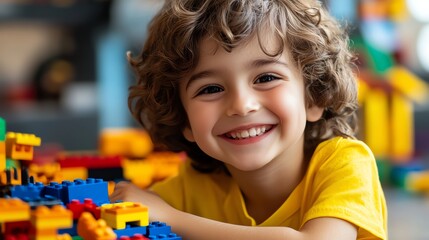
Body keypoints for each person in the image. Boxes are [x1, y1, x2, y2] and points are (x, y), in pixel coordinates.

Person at [110, 0, 387, 239]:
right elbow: (133, 209)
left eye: (266, 78)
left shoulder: (344, 166)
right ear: (183, 119)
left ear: (313, 96)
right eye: (211, 89)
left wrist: (172, 219)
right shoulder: (189, 188)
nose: (241, 106)